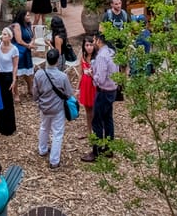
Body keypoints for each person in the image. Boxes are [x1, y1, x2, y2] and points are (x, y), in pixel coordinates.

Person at [33, 48, 74, 169]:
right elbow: (68, 93)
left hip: (44, 107)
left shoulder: (39, 74)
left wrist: (38, 100)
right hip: (58, 108)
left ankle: (42, 149)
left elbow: (35, 92)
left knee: (44, 127)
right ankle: (54, 161)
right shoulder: (62, 76)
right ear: (57, 61)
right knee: (57, 133)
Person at [81, 33, 118, 162]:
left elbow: (100, 79)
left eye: (95, 39)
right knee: (108, 120)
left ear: (99, 41)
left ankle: (95, 152)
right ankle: (109, 148)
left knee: (97, 122)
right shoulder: (112, 52)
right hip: (112, 90)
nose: (94, 41)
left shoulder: (102, 56)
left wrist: (92, 74)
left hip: (103, 91)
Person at [0, 27, 19, 136]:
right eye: (2, 33)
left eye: (5, 34)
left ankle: (8, 127)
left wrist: (14, 80)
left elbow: (15, 66)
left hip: (8, 76)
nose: (2, 36)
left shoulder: (14, 49)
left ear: (9, 36)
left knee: (7, 100)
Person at [10, 9, 34, 99]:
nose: (29, 17)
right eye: (27, 15)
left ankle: (30, 89)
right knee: (16, 73)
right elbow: (19, 40)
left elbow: (32, 35)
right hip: (18, 51)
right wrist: (28, 45)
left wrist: (32, 42)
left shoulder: (28, 24)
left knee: (27, 72)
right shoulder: (17, 25)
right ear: (22, 16)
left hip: (27, 50)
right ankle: (16, 94)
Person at [77, 36, 97, 139]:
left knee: (95, 110)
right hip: (85, 86)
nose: (89, 47)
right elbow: (80, 74)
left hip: (94, 86)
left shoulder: (97, 58)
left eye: (91, 45)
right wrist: (77, 89)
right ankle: (89, 130)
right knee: (87, 110)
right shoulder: (83, 58)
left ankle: (96, 130)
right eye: (87, 45)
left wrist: (93, 74)